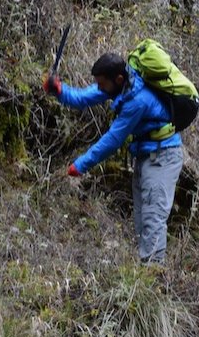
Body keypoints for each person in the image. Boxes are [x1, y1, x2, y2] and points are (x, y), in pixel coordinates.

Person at [44, 52, 185, 264]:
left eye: (101, 83)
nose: (99, 88)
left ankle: (154, 276)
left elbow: (113, 140)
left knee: (153, 216)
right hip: (146, 154)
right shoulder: (122, 86)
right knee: (141, 217)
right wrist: (60, 90)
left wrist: (80, 165)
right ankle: (146, 270)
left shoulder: (137, 100)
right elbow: (84, 97)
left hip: (163, 157)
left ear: (118, 79)